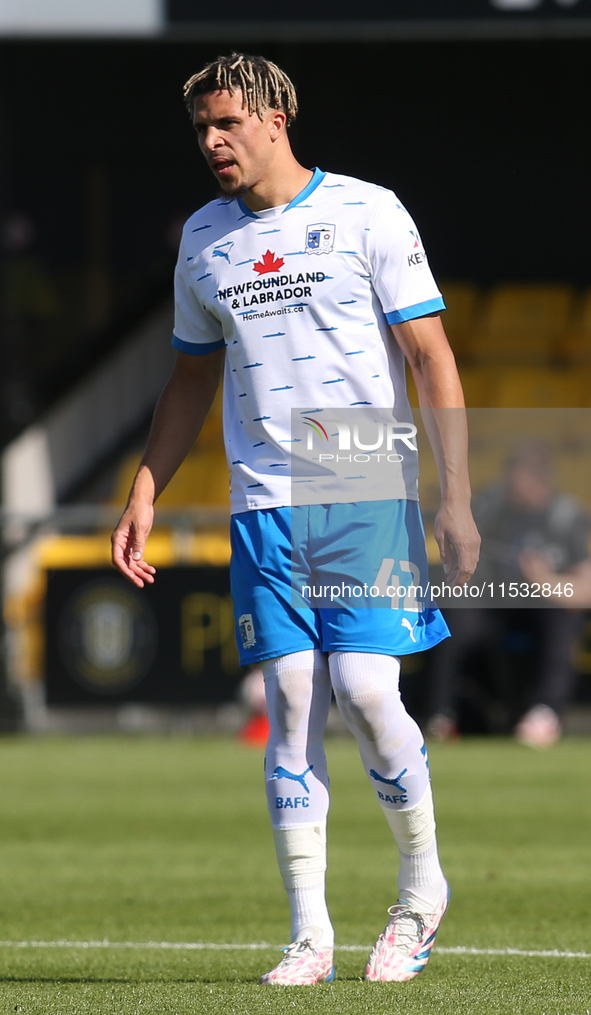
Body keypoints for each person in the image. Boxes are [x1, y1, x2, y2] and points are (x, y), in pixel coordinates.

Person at [111, 52, 480, 986]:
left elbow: (430, 356)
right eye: (200, 129)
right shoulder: (204, 237)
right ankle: (309, 934)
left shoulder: (367, 210)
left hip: (355, 469)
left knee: (362, 690)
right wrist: (146, 487)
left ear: (276, 117)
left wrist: (456, 497)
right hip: (262, 498)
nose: (212, 142)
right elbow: (192, 376)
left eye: (227, 123)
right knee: (288, 706)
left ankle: (420, 888)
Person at [427, 441, 591, 747]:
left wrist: (545, 580)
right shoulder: (492, 508)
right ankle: (441, 714)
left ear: (543, 481)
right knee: (454, 615)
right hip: (494, 606)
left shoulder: (565, 517)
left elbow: (584, 589)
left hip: (540, 610)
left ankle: (544, 712)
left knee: (562, 616)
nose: (514, 488)